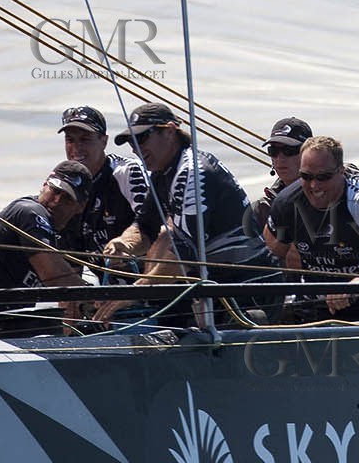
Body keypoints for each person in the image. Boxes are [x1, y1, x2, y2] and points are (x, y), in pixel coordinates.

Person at [91, 102, 278, 325]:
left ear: (170, 131)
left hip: (250, 288)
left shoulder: (192, 172)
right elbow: (145, 226)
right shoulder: (163, 173)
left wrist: (135, 292)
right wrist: (124, 244)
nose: (135, 149)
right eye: (131, 142)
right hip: (219, 288)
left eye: (141, 138)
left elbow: (182, 255)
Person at [265, 134, 359, 322]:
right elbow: (269, 258)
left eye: (323, 177)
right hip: (315, 307)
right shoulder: (286, 203)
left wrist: (352, 288)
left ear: (341, 171)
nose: (314, 185)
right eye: (306, 176)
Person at [0, 160, 92, 336]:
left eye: (67, 199)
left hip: (8, 322)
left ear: (80, 206)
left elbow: (70, 292)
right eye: (55, 191)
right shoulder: (29, 212)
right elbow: (55, 277)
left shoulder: (64, 229)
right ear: (44, 184)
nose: (56, 201)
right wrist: (98, 299)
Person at [56, 105, 150, 284]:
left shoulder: (126, 172)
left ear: (104, 141)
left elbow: (157, 229)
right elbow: (72, 261)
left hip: (152, 284)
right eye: (70, 140)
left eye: (85, 139)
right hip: (110, 291)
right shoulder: (68, 186)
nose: (76, 148)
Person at [243, 115, 311, 243]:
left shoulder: (331, 194)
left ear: (308, 153)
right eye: (273, 151)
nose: (280, 158)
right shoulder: (263, 209)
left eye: (289, 150)